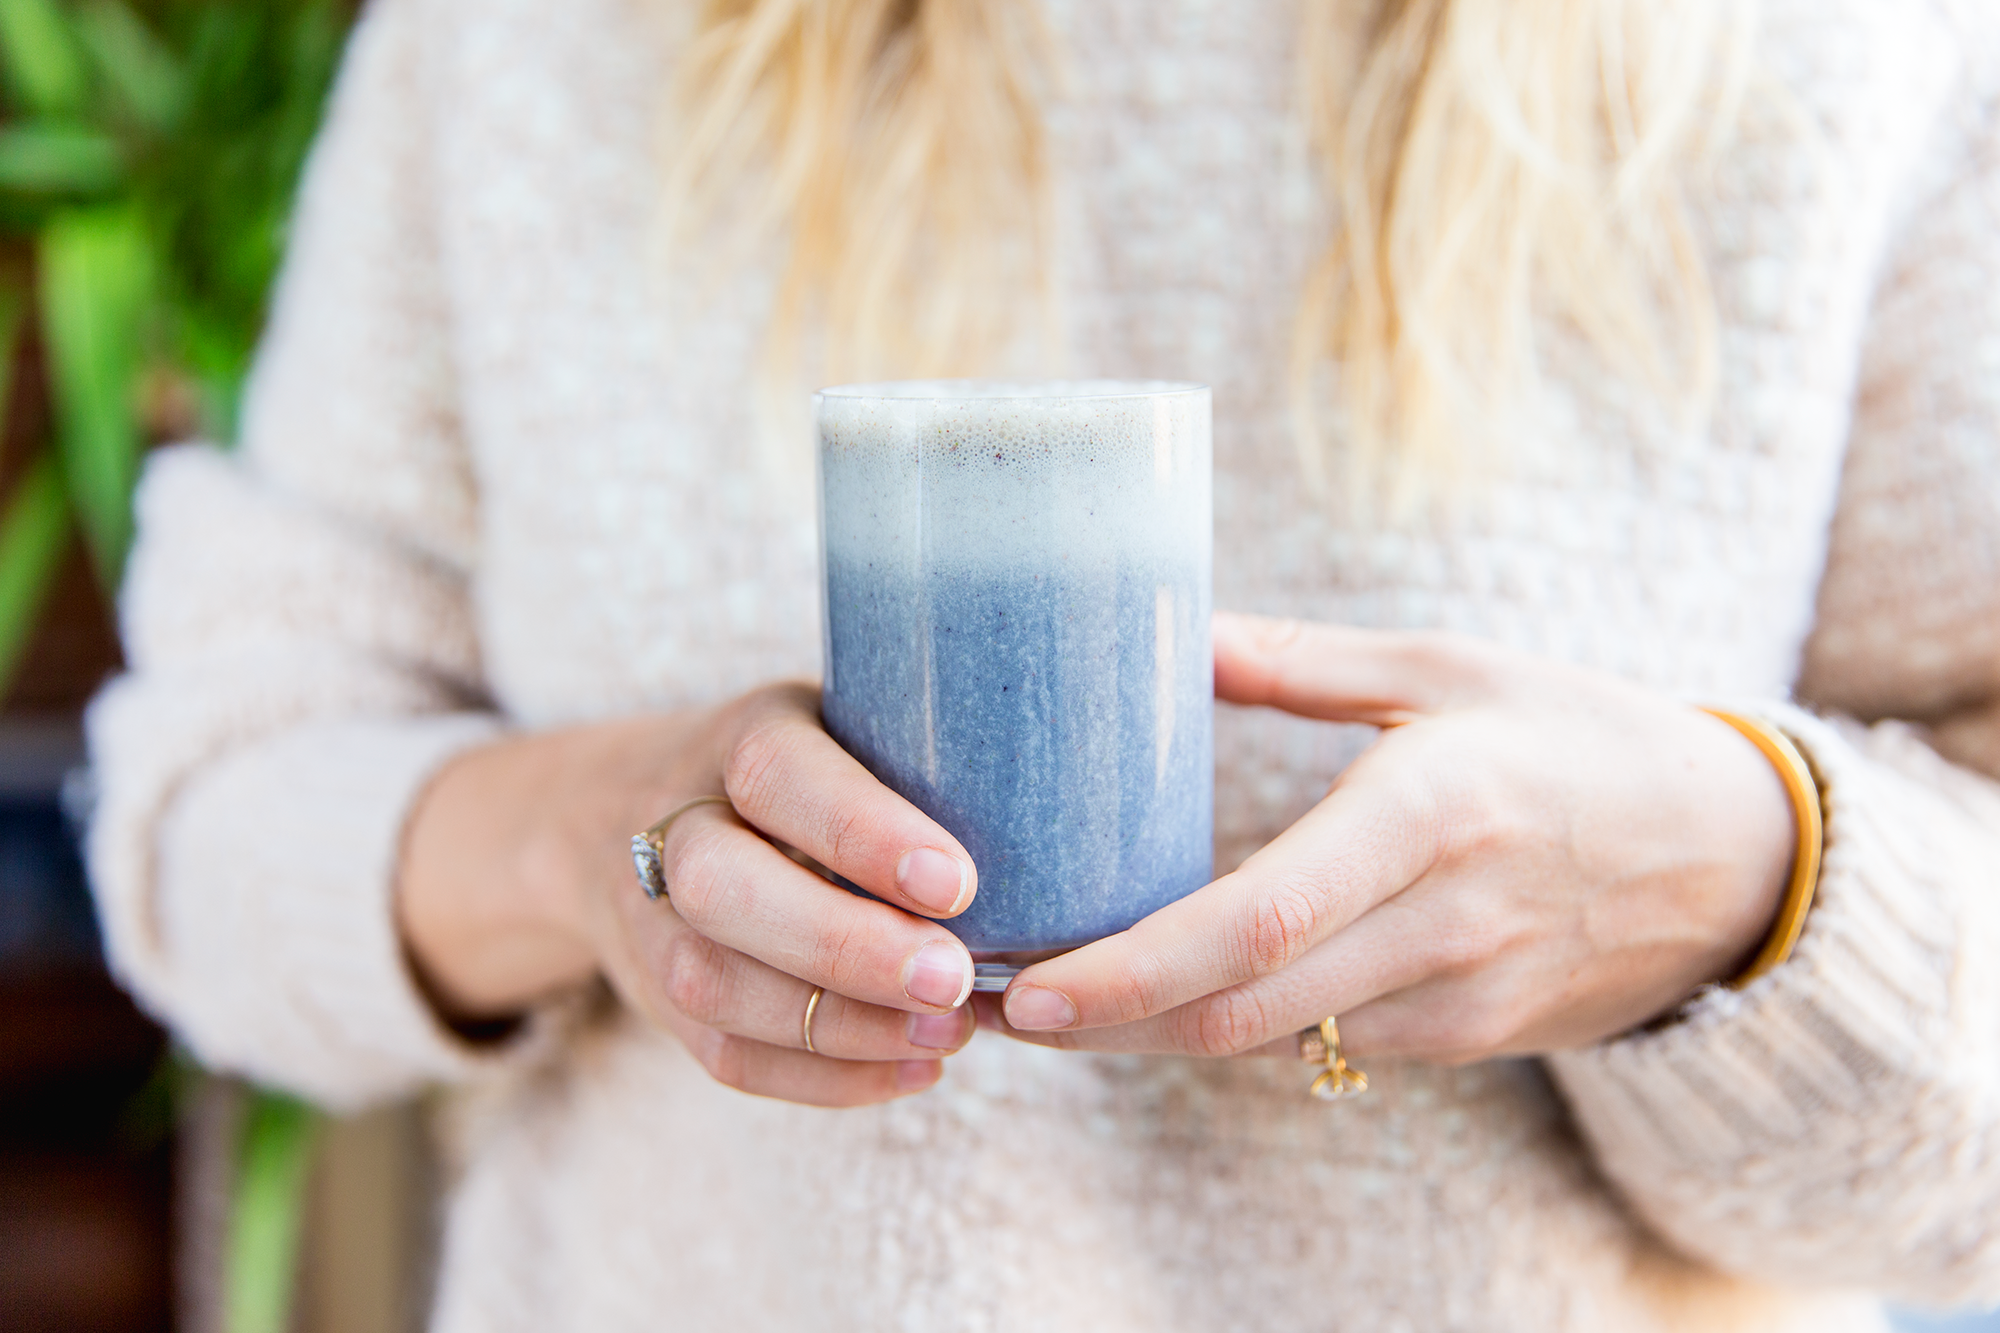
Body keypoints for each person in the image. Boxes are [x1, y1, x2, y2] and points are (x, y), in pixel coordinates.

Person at [86, 0, 2000, 1328]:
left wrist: (1742, 880)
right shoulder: (522, 47)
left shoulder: (1849, 52)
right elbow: (207, 815)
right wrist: (592, 841)